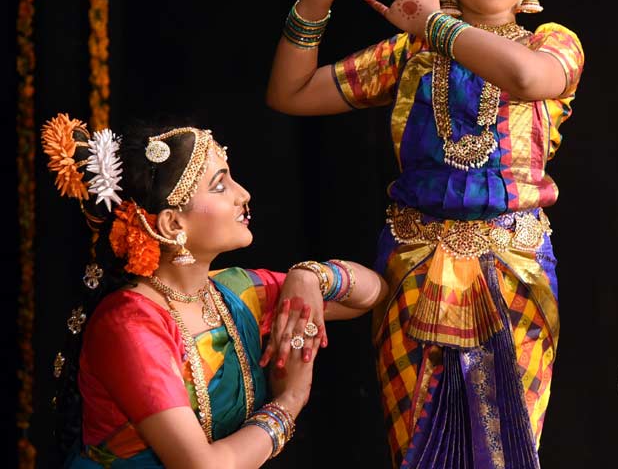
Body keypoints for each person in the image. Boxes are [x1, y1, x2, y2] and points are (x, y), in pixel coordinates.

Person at [265, 0, 584, 468]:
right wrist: (315, 4)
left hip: (516, 272)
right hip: (414, 273)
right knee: (417, 452)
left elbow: (524, 79)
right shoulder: (411, 54)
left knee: (508, 451)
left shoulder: (552, 43)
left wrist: (433, 25)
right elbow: (291, 93)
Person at [41, 113, 387, 468]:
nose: (244, 195)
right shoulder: (130, 324)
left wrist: (310, 276)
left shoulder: (233, 292)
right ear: (172, 223)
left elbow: (373, 293)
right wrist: (289, 403)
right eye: (220, 186)